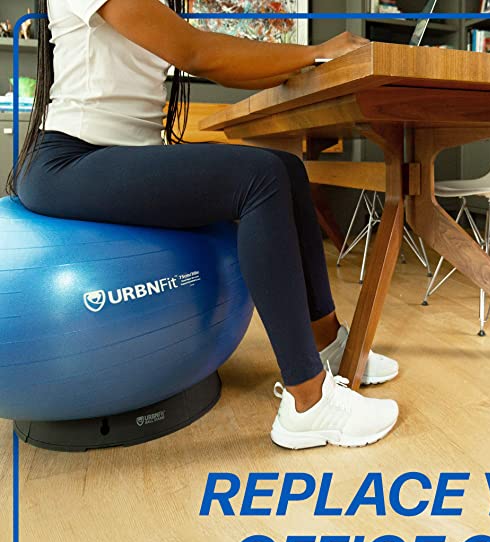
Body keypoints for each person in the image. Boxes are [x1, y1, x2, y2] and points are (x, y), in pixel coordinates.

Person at [8, 0, 400, 450]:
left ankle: (329, 347)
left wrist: (315, 61)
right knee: (260, 179)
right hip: (71, 160)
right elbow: (196, 52)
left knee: (286, 168)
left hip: (120, 155)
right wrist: (317, 52)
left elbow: (220, 67)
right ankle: (308, 404)